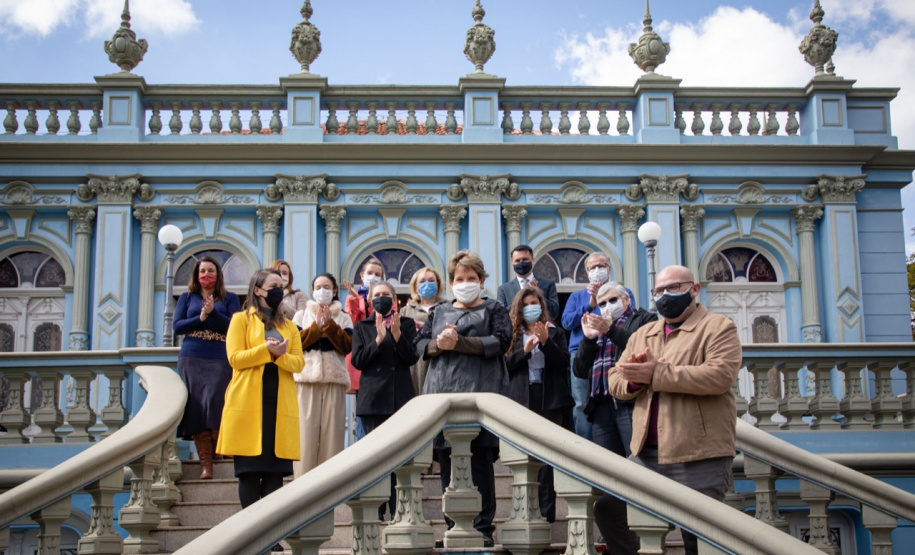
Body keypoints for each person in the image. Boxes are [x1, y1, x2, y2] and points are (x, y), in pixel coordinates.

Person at [607, 265, 742, 555]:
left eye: (674, 288)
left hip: (699, 454)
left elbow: (720, 376)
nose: (665, 296)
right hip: (646, 455)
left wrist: (656, 374)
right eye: (658, 291)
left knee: (701, 539)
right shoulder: (644, 333)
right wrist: (633, 381)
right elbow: (615, 379)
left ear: (694, 290)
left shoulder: (719, 327)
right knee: (609, 509)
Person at [415, 250, 511, 547]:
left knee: (479, 462)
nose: (465, 282)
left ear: (482, 281)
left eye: (471, 278)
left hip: (480, 394)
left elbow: (501, 341)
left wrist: (461, 342)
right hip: (443, 393)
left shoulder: (495, 309)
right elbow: (419, 345)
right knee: (448, 462)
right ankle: (453, 527)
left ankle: (482, 529)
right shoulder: (438, 311)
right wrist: (438, 344)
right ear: (452, 282)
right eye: (460, 278)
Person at [575, 281, 657, 555]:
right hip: (601, 406)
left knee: (638, 470)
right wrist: (588, 338)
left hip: (630, 404)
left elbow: (638, 348)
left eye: (612, 299)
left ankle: (646, 536)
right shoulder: (596, 328)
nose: (606, 306)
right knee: (610, 479)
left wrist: (609, 330)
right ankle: (626, 546)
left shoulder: (643, 319)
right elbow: (579, 369)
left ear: (626, 300)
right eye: (602, 302)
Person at [217, 268, 303, 517]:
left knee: (275, 476)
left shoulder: (290, 327)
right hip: (247, 405)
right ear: (257, 290)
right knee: (249, 474)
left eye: (281, 286)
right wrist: (267, 351)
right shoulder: (240, 320)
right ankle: (251, 534)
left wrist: (277, 357)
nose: (279, 290)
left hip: (279, 405)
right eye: (273, 285)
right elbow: (235, 359)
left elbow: (298, 364)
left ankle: (270, 535)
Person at [350, 281, 420, 520]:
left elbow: (411, 358)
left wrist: (398, 335)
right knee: (376, 458)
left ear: (394, 299)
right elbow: (358, 361)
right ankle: (376, 510)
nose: (382, 298)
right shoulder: (362, 326)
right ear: (370, 300)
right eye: (377, 295)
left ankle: (399, 510)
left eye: (386, 294)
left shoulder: (407, 323)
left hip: (400, 399)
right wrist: (378, 340)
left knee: (399, 457)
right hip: (373, 400)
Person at [504, 285, 572, 523]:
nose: (531, 308)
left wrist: (546, 342)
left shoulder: (555, 332)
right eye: (526, 304)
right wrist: (524, 351)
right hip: (521, 398)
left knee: (546, 460)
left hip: (549, 398)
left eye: (535, 304)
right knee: (523, 458)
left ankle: (546, 514)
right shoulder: (511, 333)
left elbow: (564, 363)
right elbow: (504, 366)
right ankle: (523, 512)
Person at [173, 255, 241, 479]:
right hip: (193, 354)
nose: (206, 275)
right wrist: (200, 317)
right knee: (197, 406)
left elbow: (234, 325)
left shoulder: (229, 298)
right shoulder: (186, 297)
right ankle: (206, 463)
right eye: (202, 271)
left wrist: (214, 313)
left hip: (220, 354)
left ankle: (218, 449)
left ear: (218, 274)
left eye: (210, 271)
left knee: (216, 401)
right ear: (196, 274)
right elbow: (177, 327)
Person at [291, 273, 353, 478]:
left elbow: (346, 346)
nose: (322, 290)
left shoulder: (344, 317)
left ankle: (329, 484)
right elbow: (296, 344)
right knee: (304, 436)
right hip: (305, 378)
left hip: (334, 379)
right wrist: (316, 328)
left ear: (334, 290)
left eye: (326, 286)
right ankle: (302, 486)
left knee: (332, 436)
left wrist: (330, 325)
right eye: (318, 286)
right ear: (312, 290)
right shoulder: (301, 316)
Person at [561, 252, 613, 441]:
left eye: (602, 265)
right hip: (580, 353)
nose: (597, 270)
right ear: (587, 272)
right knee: (581, 402)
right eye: (593, 267)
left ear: (608, 268)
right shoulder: (577, 296)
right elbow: (566, 323)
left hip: (609, 352)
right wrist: (590, 304)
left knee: (610, 398)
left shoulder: (619, 293)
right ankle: (586, 447)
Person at [343, 257, 386, 439]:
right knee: (362, 410)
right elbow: (354, 324)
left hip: (380, 359)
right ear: (362, 275)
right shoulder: (352, 297)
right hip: (361, 359)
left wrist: (372, 301)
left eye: (377, 274)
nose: (373, 277)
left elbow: (383, 319)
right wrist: (357, 300)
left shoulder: (385, 297)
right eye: (370, 273)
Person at [399, 266, 448, 395]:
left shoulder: (448, 307)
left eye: (431, 280)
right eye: (422, 281)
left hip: (440, 361)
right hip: (415, 365)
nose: (427, 284)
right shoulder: (406, 310)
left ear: (437, 284)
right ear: (415, 287)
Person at [496, 245, 559, 320]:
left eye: (525, 259)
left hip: (540, 328)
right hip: (515, 330)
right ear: (512, 264)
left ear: (532, 260)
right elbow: (501, 315)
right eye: (517, 260)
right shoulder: (504, 289)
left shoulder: (548, 284)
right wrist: (520, 298)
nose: (521, 263)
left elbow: (554, 312)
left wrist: (539, 294)